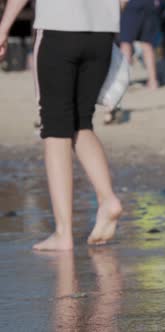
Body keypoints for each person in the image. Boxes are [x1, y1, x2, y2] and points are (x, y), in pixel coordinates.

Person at [0, 0, 122, 250]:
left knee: (55, 128)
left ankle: (63, 233)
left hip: (59, 27)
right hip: (102, 32)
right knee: (82, 121)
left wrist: (4, 26)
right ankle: (107, 199)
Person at [119, 0, 160, 89]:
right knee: (147, 44)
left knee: (126, 44)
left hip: (132, 5)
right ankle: (153, 81)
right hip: (150, 4)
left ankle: (123, 80)